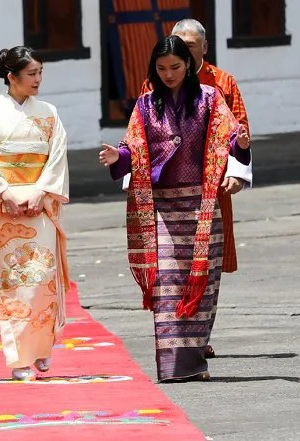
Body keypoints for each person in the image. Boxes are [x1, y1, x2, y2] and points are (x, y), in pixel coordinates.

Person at [99, 36, 252, 382]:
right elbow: (133, 149)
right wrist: (118, 158)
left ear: (188, 66)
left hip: (202, 208)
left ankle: (194, 362)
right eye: (161, 68)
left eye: (176, 67)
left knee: (202, 283)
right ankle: (171, 366)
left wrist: (239, 146)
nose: (168, 74)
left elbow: (228, 139)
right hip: (162, 209)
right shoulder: (145, 105)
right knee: (167, 284)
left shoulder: (211, 99)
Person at [0, 46, 69, 381]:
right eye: (31, 74)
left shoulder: (48, 113)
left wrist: (40, 192)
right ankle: (19, 359)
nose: (37, 80)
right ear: (12, 76)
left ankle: (43, 348)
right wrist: (4, 194)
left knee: (42, 281)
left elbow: (56, 156)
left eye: (40, 73)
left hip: (38, 206)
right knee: (13, 285)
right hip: (3, 213)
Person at [137, 18, 251, 359]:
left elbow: (238, 131)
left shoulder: (219, 85)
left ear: (202, 49)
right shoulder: (153, 87)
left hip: (209, 187)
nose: (174, 65)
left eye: (188, 48)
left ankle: (200, 337)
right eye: (176, 46)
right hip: (168, 192)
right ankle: (174, 345)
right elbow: (140, 134)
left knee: (207, 265)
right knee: (170, 268)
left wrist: (235, 170)